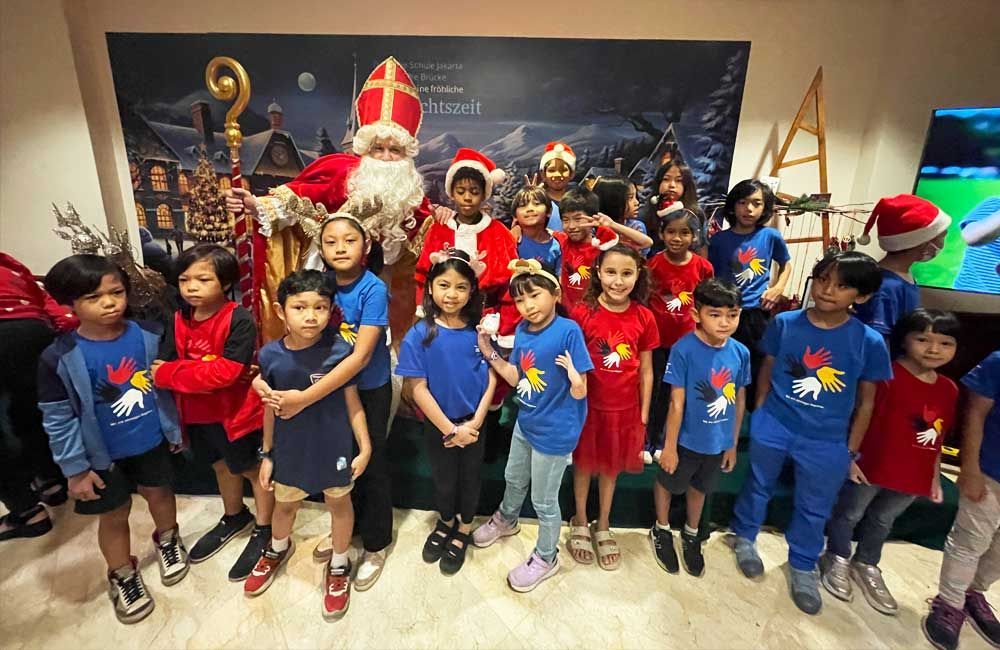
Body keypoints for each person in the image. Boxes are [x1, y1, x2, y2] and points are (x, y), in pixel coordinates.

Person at [727, 250, 892, 615]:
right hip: (776, 423)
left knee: (814, 505)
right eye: (822, 280)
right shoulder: (785, 323)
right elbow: (768, 366)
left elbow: (867, 401)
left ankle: (802, 564)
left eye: (842, 285)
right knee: (757, 484)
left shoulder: (868, 341)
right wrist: (763, 411)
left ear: (861, 297)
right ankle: (745, 536)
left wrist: (849, 449)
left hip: (828, 439)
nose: (828, 290)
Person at [225, 56, 431, 342]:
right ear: (364, 150)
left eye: (394, 150)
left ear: (406, 155)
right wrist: (255, 204)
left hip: (383, 295)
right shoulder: (341, 171)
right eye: (377, 148)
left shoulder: (412, 195)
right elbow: (298, 198)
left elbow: (427, 239)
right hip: (331, 289)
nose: (385, 157)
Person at [38, 254, 186, 624]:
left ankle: (168, 539)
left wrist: (173, 428)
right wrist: (75, 469)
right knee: (114, 513)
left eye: (116, 292)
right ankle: (122, 572)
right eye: (93, 297)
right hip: (101, 456)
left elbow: (165, 387)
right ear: (68, 302)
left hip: (150, 439)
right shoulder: (60, 357)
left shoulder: (149, 334)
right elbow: (58, 418)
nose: (109, 303)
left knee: (161, 494)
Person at [254, 213, 393, 590]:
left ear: (365, 246)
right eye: (331, 242)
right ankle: (347, 534)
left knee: (371, 463)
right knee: (341, 473)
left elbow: (360, 357)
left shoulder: (372, 289)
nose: (340, 248)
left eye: (349, 240)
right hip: (321, 389)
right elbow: (288, 349)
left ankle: (376, 544)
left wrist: (303, 398)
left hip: (365, 388)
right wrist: (263, 381)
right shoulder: (321, 286)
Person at [246, 270, 371, 621]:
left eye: (320, 307)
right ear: (280, 311)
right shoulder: (270, 356)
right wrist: (267, 454)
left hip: (333, 449)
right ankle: (276, 549)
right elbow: (270, 409)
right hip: (289, 450)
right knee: (285, 506)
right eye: (300, 307)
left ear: (332, 310)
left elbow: (353, 404)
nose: (311, 315)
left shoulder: (339, 351)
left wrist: (364, 446)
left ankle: (340, 564)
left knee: (339, 503)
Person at [822, 309, 959, 615]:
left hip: (913, 473)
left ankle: (867, 562)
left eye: (945, 343)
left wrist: (934, 477)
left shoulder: (949, 389)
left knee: (884, 519)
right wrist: (851, 457)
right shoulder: (884, 376)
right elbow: (859, 415)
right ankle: (837, 556)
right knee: (849, 513)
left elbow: (938, 435)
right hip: (871, 465)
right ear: (904, 340)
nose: (933, 349)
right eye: (923, 339)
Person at [151, 244, 274, 583]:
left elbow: (227, 373)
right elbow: (163, 363)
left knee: (250, 469)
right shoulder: (178, 319)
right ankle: (234, 515)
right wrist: (192, 374)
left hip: (235, 414)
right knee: (220, 466)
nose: (191, 287)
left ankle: (265, 528)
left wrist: (172, 375)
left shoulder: (238, 318)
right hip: (196, 415)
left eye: (203, 279)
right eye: (185, 279)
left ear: (224, 281)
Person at [472, 259, 594, 591]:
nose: (528, 306)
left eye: (535, 296)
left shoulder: (568, 331)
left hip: (555, 433)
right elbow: (515, 376)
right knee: (513, 478)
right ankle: (507, 519)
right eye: (521, 300)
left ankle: (546, 557)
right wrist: (488, 350)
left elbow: (581, 388)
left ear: (555, 294)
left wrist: (575, 380)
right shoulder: (524, 331)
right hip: (527, 422)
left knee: (543, 500)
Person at [397, 249, 497, 575]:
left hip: (474, 424)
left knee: (469, 479)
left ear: (472, 292)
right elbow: (417, 388)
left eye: (460, 287)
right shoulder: (420, 333)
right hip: (440, 427)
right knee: (443, 479)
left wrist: (476, 422)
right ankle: (446, 520)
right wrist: (450, 431)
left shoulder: (479, 332)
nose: (451, 294)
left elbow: (492, 377)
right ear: (430, 288)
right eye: (443, 285)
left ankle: (464, 527)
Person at [567, 245, 658, 570]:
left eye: (626, 273)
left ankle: (603, 523)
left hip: (624, 411)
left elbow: (646, 370)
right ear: (598, 274)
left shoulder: (644, 317)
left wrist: (644, 412)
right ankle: (579, 518)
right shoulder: (582, 313)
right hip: (588, 409)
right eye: (610, 272)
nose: (617, 281)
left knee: (610, 469)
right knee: (584, 466)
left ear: (638, 275)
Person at [651, 278, 749, 577]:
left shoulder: (740, 352)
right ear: (696, 314)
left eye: (732, 315)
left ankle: (692, 533)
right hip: (686, 439)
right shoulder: (684, 349)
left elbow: (738, 399)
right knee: (669, 482)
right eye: (715, 314)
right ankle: (661, 527)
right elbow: (676, 403)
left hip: (717, 441)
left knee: (701, 487)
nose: (724, 322)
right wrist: (669, 446)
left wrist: (731, 442)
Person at [923, 348, 1000, 650]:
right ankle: (950, 602)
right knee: (971, 538)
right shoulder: (997, 362)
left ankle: (974, 592)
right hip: (991, 469)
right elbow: (975, 415)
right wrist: (969, 467)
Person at [0, 253, 77, 541]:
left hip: (23, 329)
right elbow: (40, 296)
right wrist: (66, 324)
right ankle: (52, 482)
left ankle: (26, 511)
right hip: (31, 331)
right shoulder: (8, 262)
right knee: (33, 411)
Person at [415, 148, 519, 347]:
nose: (468, 198)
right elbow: (422, 275)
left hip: (485, 321)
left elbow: (510, 283)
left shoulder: (498, 232)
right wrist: (424, 311)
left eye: (475, 192)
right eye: (461, 192)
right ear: (451, 193)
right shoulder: (440, 228)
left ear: (484, 195)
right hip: (441, 318)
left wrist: (505, 327)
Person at [708, 179, 791, 408]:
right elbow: (711, 275)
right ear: (733, 205)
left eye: (756, 203)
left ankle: (749, 419)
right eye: (743, 202)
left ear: (765, 208)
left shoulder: (771, 236)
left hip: (757, 313)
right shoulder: (718, 240)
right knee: (721, 365)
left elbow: (786, 264)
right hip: (724, 312)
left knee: (755, 366)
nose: (749, 209)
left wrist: (778, 288)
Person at [645, 207, 714, 461]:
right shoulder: (654, 263)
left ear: (694, 236)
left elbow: (707, 304)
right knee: (654, 392)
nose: (677, 238)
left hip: (686, 345)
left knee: (678, 393)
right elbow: (644, 298)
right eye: (671, 232)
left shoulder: (703, 267)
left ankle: (668, 440)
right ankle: (648, 441)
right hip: (657, 341)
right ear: (661, 234)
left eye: (684, 233)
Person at [853, 194, 951, 339]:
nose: (942, 243)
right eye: (941, 236)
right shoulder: (886, 286)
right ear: (922, 243)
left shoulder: (902, 277)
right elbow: (877, 341)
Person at [554, 187, 652, 307]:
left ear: (592, 218)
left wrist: (612, 224)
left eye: (578, 219)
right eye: (565, 220)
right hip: (567, 314)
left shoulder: (605, 246)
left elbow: (646, 243)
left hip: (594, 312)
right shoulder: (563, 241)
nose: (571, 226)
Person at [640, 160, 705, 256]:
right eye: (666, 179)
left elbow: (701, 249)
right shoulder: (646, 213)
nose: (672, 185)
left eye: (678, 180)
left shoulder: (695, 214)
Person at [591, 176, 650, 257]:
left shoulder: (637, 226)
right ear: (613, 202)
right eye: (630, 198)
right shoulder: (594, 229)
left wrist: (612, 224)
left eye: (635, 197)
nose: (636, 202)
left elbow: (647, 243)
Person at [511, 184, 561, 274]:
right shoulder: (511, 240)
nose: (530, 209)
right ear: (515, 215)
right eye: (523, 205)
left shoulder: (557, 245)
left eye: (536, 204)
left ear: (549, 211)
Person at [537, 141, 577, 232]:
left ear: (572, 174)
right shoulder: (537, 201)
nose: (558, 174)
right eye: (551, 170)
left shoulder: (580, 200)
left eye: (563, 170)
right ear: (543, 174)